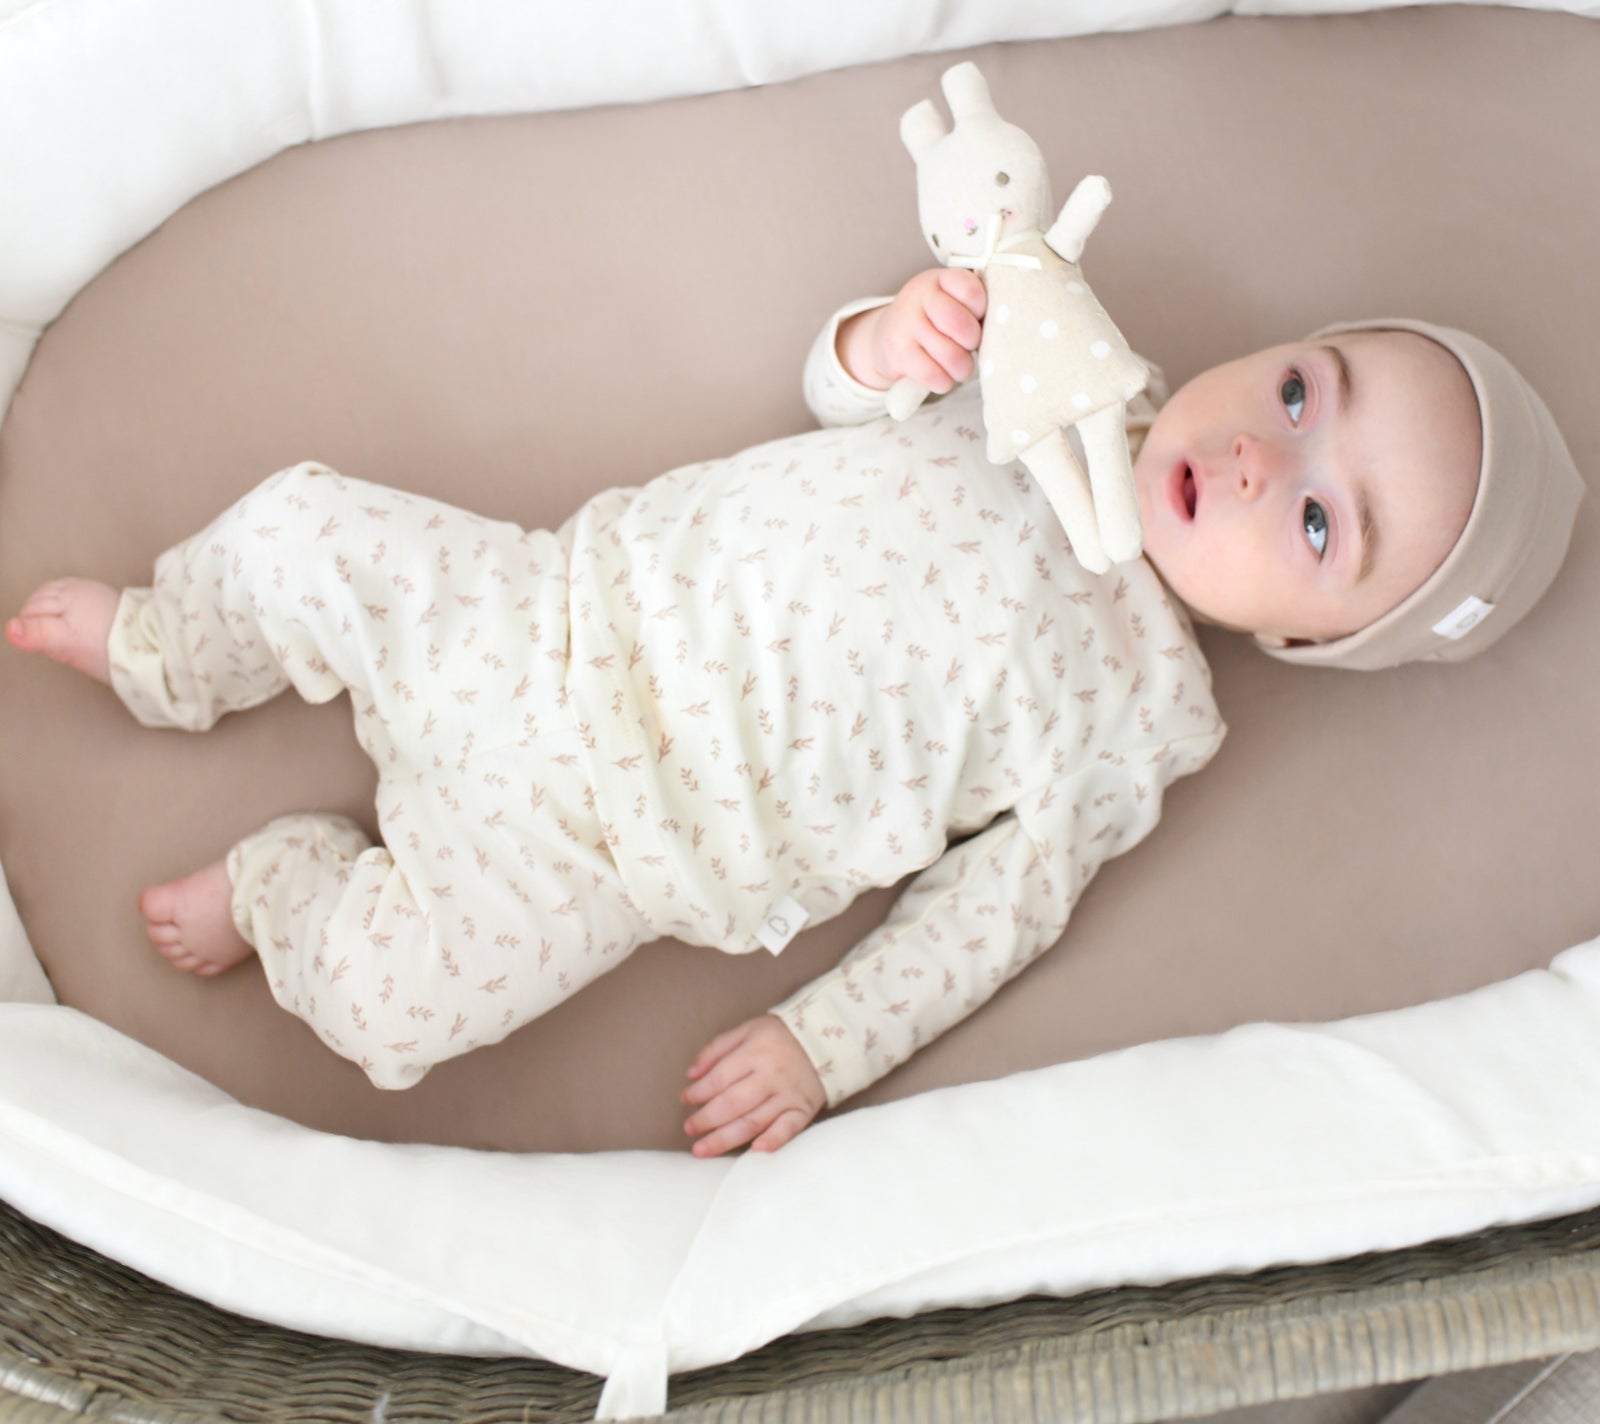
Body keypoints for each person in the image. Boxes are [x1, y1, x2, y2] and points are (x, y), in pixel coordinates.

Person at [4, 267, 1582, 1160]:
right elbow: (838, 393)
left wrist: (825, 1048)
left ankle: (285, 888)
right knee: (303, 529)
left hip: (611, 855)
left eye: (1315, 524)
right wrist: (891, 338)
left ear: (1303, 640)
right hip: (558, 610)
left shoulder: (1133, 722)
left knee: (394, 1015)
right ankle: (172, 648)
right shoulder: (1067, 375)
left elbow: (993, 917)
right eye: (1302, 395)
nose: (1255, 459)